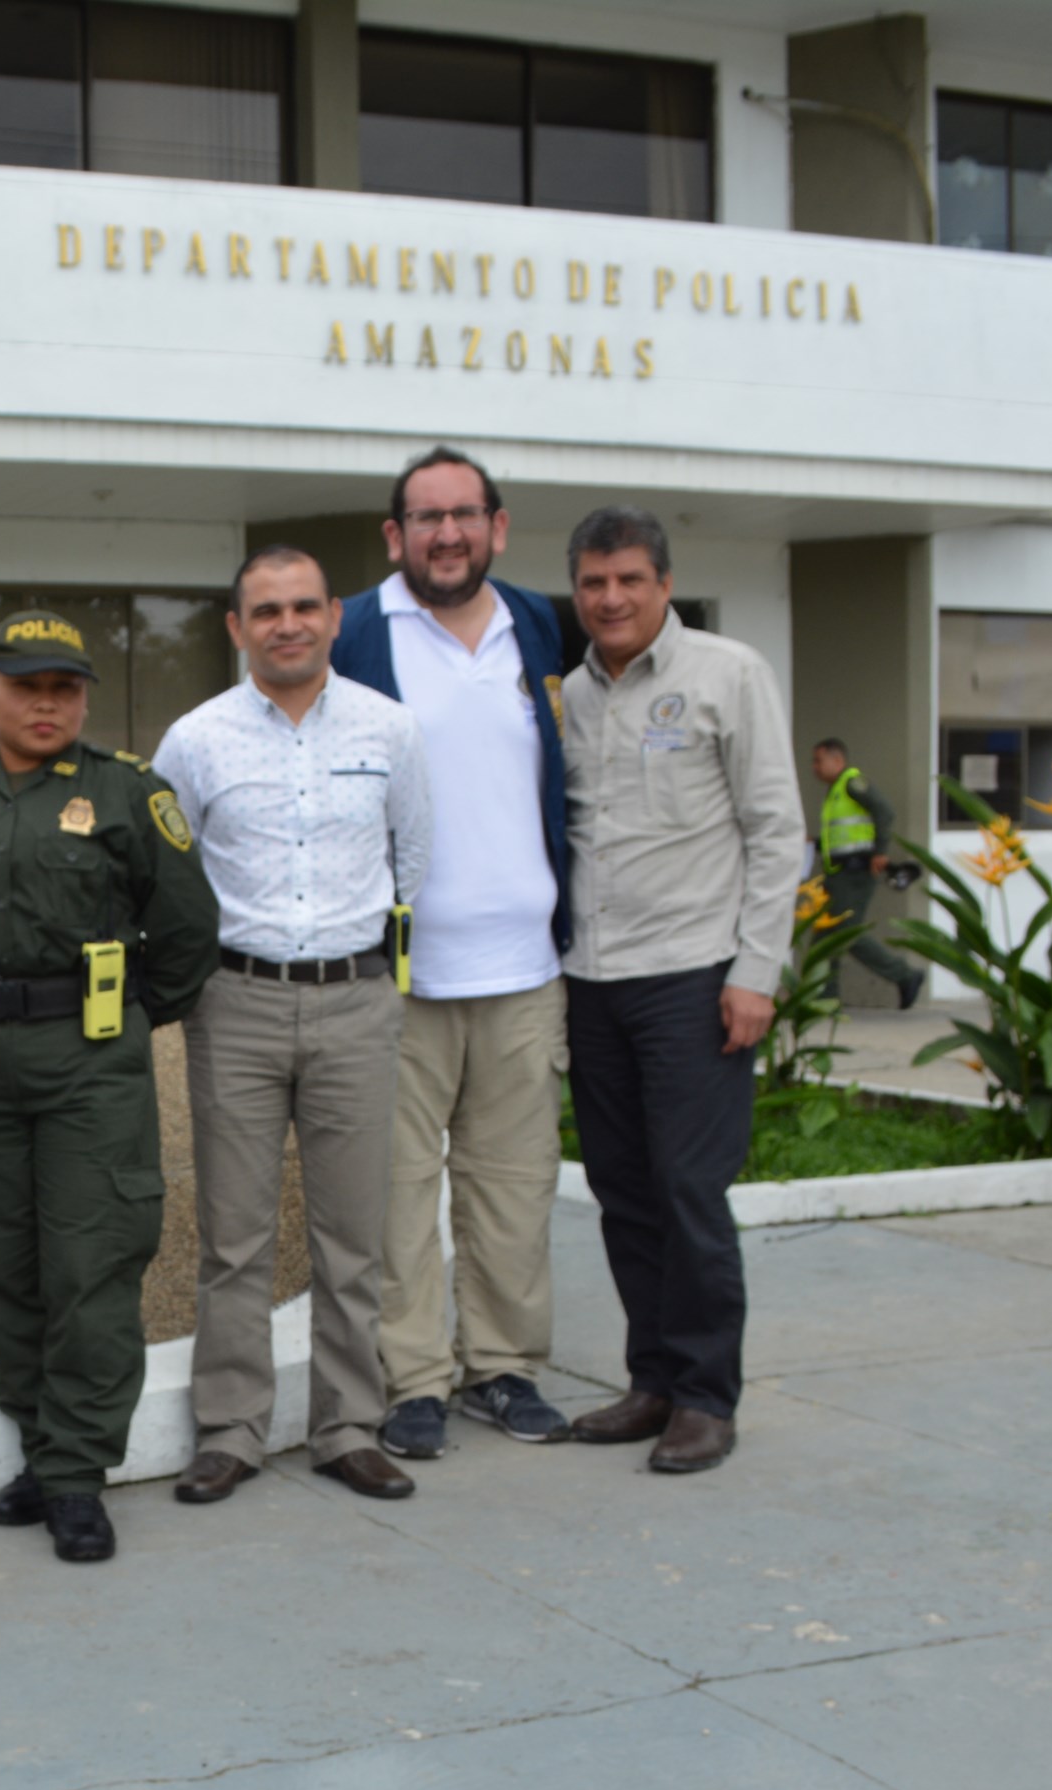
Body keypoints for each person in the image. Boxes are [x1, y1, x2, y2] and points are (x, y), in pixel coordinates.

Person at [0, 610, 219, 1562]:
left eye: (64, 688)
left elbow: (187, 932)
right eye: (25, 686)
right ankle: (43, 1451)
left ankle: (78, 1473)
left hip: (88, 1056)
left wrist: (121, 1020)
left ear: (84, 697)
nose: (45, 704)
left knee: (91, 1263)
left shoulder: (129, 792)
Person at [157, 550, 433, 1508]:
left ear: (334, 616)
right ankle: (230, 1430)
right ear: (237, 627)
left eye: (304, 606)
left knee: (352, 1236)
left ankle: (348, 1427)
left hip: (357, 1000)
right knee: (233, 1236)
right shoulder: (195, 740)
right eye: (266, 610)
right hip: (235, 1003)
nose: (287, 624)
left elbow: (414, 858)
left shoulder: (390, 729)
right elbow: (172, 872)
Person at [329, 447, 577, 1460]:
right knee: (396, 1192)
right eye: (426, 518)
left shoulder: (538, 624)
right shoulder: (354, 630)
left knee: (514, 1185)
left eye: (465, 514)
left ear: (497, 526)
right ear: (396, 535)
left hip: (525, 969)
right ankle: (413, 1379)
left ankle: (504, 1366)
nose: (447, 534)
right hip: (400, 975)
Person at [556, 507, 801, 1474]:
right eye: (593, 582)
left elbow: (775, 829)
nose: (610, 598)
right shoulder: (572, 693)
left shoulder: (728, 673)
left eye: (629, 579)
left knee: (689, 1190)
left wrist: (756, 972)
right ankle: (651, 1381)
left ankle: (705, 1396)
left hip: (694, 978)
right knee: (622, 1193)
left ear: (664, 584)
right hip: (594, 980)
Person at [811, 738, 926, 1007]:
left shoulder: (853, 784)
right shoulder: (835, 791)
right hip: (838, 872)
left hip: (856, 873)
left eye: (818, 761)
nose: (814, 767)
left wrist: (880, 852)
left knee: (846, 932)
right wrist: (815, 843)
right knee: (824, 934)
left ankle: (905, 975)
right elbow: (843, 837)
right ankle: (824, 998)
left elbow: (885, 811)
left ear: (837, 760)